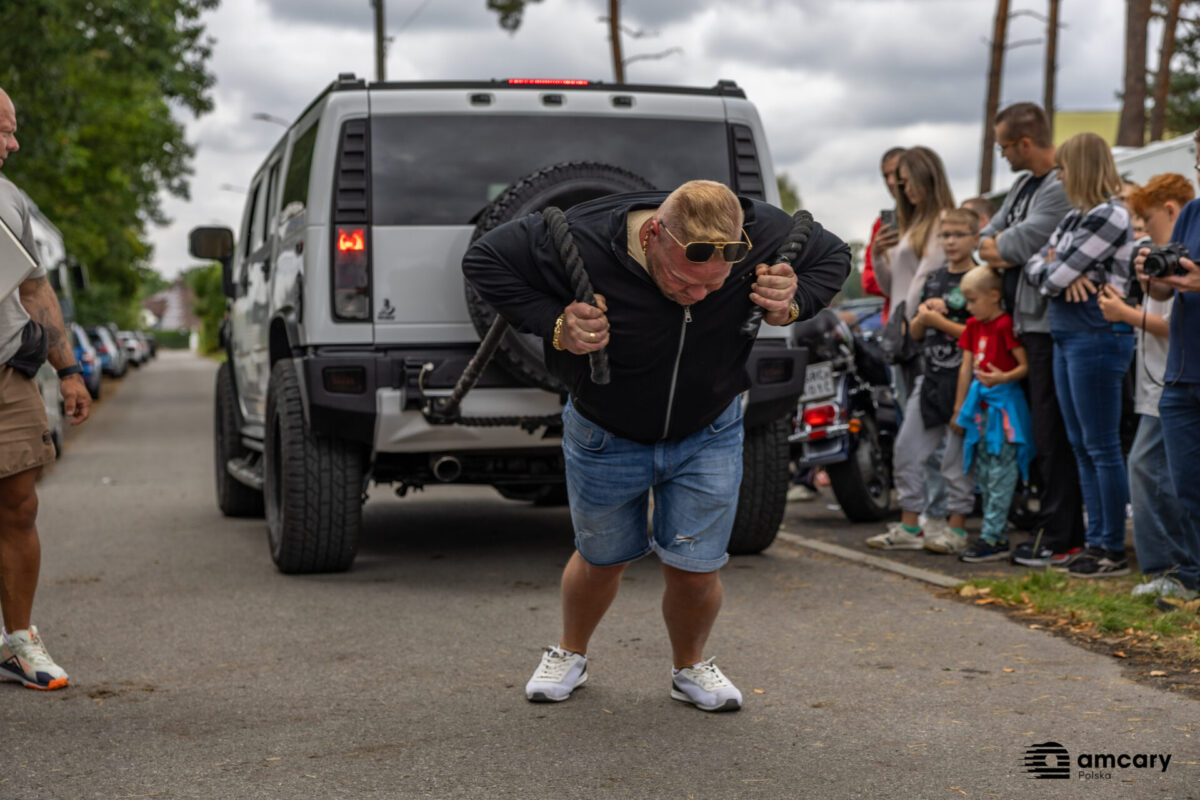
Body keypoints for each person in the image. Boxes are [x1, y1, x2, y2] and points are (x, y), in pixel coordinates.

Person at [463, 179, 850, 710]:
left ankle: (690, 667)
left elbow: (834, 255)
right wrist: (554, 324)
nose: (699, 295)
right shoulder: (577, 237)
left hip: (708, 430)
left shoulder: (764, 234)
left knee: (697, 567)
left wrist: (795, 301)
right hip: (605, 430)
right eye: (684, 281)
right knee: (600, 560)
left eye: (715, 285)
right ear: (651, 235)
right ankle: (570, 652)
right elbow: (483, 261)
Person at [0, 86, 91, 691]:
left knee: (19, 505)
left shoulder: (9, 199)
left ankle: (18, 642)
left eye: (12, 130)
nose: (12, 144)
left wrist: (69, 370)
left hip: (7, 371)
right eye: (3, 130)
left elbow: (35, 289)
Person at [1027, 133, 1136, 578]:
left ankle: (1110, 547)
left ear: (1083, 168)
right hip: (1068, 335)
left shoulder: (1110, 214)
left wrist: (1058, 268)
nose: (1059, 176)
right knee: (1080, 445)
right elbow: (1036, 266)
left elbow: (1052, 277)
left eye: (1065, 167)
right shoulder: (1074, 217)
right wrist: (1058, 268)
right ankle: (1095, 540)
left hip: (1097, 336)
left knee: (1101, 445)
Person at [978, 102, 1082, 568]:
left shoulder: (1060, 186)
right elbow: (987, 239)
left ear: (1024, 143)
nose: (1002, 155)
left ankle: (1062, 534)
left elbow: (1017, 243)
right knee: (1038, 432)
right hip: (1026, 325)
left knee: (1053, 432)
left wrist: (1003, 248)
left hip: (1047, 329)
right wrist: (1001, 249)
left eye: (1004, 147)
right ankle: (1050, 526)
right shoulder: (1023, 186)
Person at [1099, 173, 1195, 598]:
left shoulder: (1186, 236)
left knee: (1147, 468)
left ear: (1169, 210)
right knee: (1173, 479)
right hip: (1168, 380)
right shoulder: (1182, 234)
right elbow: (1168, 304)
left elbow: (1170, 324)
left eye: (1145, 221)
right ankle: (1178, 573)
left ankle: (1171, 569)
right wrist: (1151, 281)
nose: (1142, 230)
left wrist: (1124, 314)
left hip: (1173, 380)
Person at [865, 209, 978, 554]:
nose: (951, 242)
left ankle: (956, 530)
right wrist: (924, 316)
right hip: (930, 378)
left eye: (958, 235)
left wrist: (940, 322)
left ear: (975, 238)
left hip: (966, 383)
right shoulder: (935, 278)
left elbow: (982, 336)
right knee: (906, 450)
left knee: (955, 460)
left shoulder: (981, 279)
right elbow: (915, 333)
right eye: (945, 236)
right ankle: (910, 526)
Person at [1135, 129, 1200, 610]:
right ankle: (1192, 579)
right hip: (1181, 373)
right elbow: (1169, 288)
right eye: (1199, 159)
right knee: (1186, 486)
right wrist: (1152, 279)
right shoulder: (1193, 213)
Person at [952, 266, 1032, 562]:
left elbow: (1024, 366)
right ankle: (993, 533)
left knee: (1001, 473)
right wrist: (959, 408)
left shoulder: (1004, 324)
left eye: (973, 300)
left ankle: (992, 535)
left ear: (995, 296)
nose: (968, 307)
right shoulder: (974, 325)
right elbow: (966, 366)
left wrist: (1002, 378)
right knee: (985, 475)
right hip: (980, 412)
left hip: (1004, 411)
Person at [862, 147, 906, 324]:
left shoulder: (938, 218)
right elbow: (868, 281)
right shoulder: (882, 225)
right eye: (885, 176)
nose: (890, 182)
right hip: (895, 321)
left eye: (895, 173)